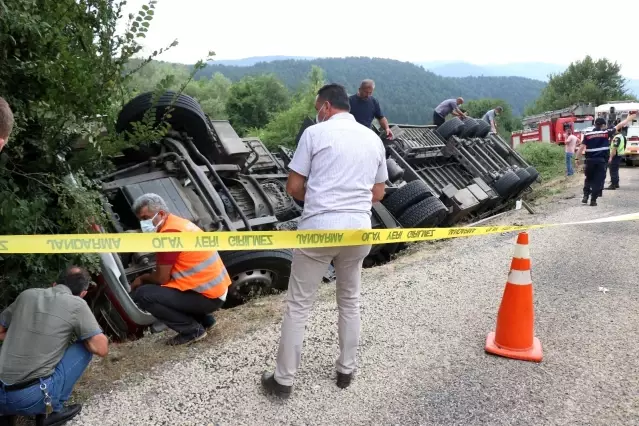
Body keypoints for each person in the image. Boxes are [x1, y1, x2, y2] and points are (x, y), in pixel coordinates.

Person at [261, 83, 387, 399]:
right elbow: (378, 193)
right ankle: (346, 370)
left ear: (326, 107)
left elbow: (292, 186)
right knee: (350, 300)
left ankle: (284, 380)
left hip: (319, 229)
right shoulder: (372, 138)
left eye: (318, 107)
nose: (318, 112)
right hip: (359, 230)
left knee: (299, 305)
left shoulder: (315, 135)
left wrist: (318, 201)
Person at [0, 266, 108, 426]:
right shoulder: (77, 304)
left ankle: (6, 413)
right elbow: (101, 348)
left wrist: (21, 334)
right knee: (83, 348)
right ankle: (51, 412)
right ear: (83, 293)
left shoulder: (26, 295)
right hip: (31, 397)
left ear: (54, 284)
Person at [129, 193, 231, 346]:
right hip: (215, 290)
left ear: (161, 213)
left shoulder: (169, 235)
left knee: (143, 294)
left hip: (207, 296)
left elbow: (162, 279)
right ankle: (206, 321)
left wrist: (142, 278)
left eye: (145, 218)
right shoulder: (179, 223)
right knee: (165, 289)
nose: (143, 223)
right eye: (141, 220)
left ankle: (192, 331)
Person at [577, 115, 635, 206]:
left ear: (595, 124)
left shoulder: (587, 135)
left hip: (589, 161)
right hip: (600, 161)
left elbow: (581, 148)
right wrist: (629, 118)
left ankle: (585, 196)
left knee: (588, 179)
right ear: (603, 125)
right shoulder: (606, 133)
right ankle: (593, 200)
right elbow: (619, 125)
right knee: (597, 180)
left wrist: (577, 158)